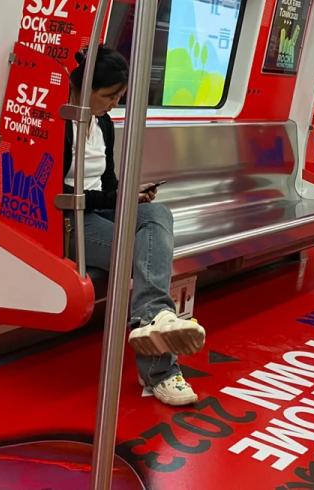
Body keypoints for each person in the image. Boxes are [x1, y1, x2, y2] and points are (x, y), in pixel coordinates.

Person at [64, 44, 205, 406]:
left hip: (101, 210)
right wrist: (116, 199)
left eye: (119, 97)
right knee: (147, 260)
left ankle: (154, 316)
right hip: (70, 221)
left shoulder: (103, 124)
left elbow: (107, 182)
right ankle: (161, 371)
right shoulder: (61, 124)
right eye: (109, 96)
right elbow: (60, 194)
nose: (113, 104)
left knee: (157, 214)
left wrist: (131, 195)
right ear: (84, 88)